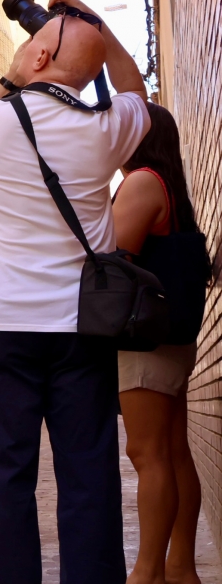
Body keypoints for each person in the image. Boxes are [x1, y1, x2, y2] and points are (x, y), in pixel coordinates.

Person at [0, 0, 149, 583]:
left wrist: (14, 76)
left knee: (4, 472)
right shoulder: (110, 129)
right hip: (81, 327)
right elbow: (136, 93)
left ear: (37, 59)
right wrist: (100, 30)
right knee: (89, 471)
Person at [113, 102, 204, 584]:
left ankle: (145, 573)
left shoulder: (143, 182)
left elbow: (114, 259)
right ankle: (179, 567)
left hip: (145, 341)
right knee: (171, 452)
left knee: (146, 455)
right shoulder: (170, 185)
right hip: (173, 340)